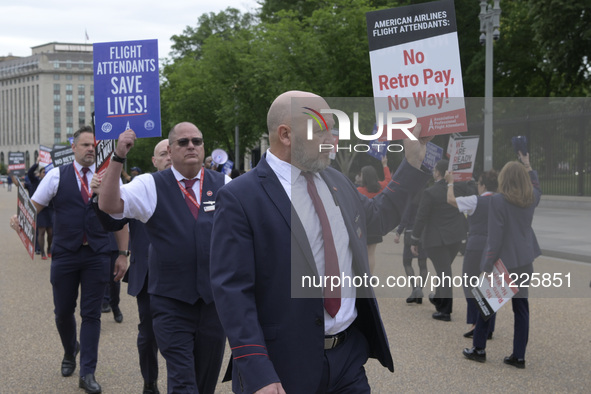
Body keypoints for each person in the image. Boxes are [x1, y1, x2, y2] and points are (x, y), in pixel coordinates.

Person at [209, 90, 432, 393]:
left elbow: (377, 218)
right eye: (322, 129)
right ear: (286, 135)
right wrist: (257, 370)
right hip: (282, 365)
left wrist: (412, 162)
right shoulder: (240, 197)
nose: (334, 138)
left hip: (348, 360)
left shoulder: (336, 181)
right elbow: (232, 291)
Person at [98, 122, 230, 393]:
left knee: (205, 383)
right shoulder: (151, 184)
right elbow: (109, 205)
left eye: (197, 140)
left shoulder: (225, 185)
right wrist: (118, 158)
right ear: (170, 151)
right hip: (171, 303)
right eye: (183, 142)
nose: (191, 145)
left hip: (213, 304)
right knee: (183, 382)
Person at [9, 126, 128, 394]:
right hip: (64, 254)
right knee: (63, 312)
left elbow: (121, 218)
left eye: (93, 146)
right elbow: (33, 207)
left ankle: (87, 372)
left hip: (97, 253)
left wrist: (122, 254)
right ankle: (69, 350)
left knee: (91, 314)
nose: (89, 149)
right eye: (84, 145)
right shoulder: (55, 176)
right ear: (73, 148)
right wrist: (20, 219)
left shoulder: (110, 177)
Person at [91, 139, 171, 394]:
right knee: (148, 335)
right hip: (149, 277)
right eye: (163, 153)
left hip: (190, 277)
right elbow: (114, 219)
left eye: (172, 151)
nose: (169, 156)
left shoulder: (201, 188)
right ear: (154, 161)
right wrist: (100, 196)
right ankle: (150, 383)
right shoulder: (142, 187)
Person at [463, 152, 541, 369]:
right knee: (521, 309)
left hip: (504, 261)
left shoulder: (498, 200)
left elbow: (494, 238)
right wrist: (528, 165)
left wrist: (487, 265)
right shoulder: (531, 198)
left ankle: (479, 349)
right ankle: (519, 356)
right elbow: (537, 187)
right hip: (525, 261)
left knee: (485, 305)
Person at [410, 159, 468, 322]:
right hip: (455, 237)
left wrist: (414, 240)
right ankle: (438, 298)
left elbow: (421, 217)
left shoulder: (430, 192)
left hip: (437, 239)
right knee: (444, 271)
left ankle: (445, 310)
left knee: (444, 273)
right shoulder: (459, 189)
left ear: (437, 173)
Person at [445, 169, 498, 338]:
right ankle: (488, 326)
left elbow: (450, 200)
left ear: (482, 185)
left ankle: (477, 321)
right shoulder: (501, 201)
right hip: (496, 245)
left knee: (470, 284)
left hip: (476, 244)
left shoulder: (476, 201)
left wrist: (451, 182)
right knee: (490, 286)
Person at [356, 156, 391, 274]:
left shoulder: (359, 191)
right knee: (371, 253)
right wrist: (385, 165)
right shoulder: (381, 187)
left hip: (363, 223)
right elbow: (389, 179)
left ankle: (362, 275)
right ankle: (369, 278)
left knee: (361, 252)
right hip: (376, 222)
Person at [394, 189, 428, 304]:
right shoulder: (426, 198)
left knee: (407, 263)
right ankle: (419, 291)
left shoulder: (410, 197)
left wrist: (398, 232)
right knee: (423, 264)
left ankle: (415, 289)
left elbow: (405, 218)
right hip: (423, 234)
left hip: (410, 233)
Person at [28, 160, 54, 259]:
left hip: (50, 209)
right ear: (40, 174)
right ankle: (42, 252)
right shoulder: (36, 181)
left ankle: (49, 249)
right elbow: (30, 172)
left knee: (51, 232)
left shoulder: (53, 181)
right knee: (41, 231)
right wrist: (37, 163)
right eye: (43, 172)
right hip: (41, 210)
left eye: (46, 172)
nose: (45, 174)